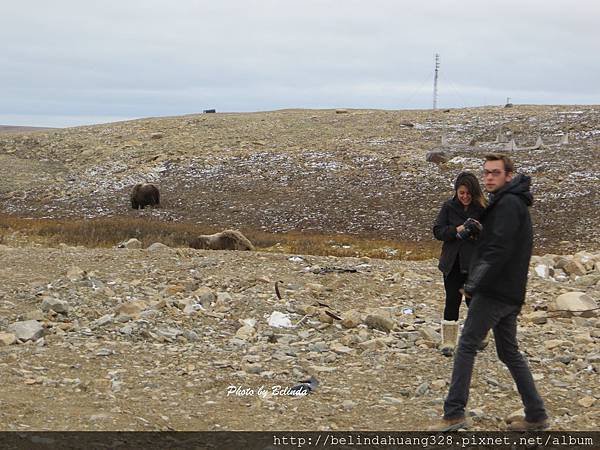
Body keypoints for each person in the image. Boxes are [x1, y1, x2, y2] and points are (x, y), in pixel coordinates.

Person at [429, 153, 549, 432]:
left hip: (495, 291)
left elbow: (498, 250)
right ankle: (536, 414)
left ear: (509, 175)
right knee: (509, 352)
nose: (489, 177)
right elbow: (496, 243)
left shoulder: (508, 204)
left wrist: (474, 284)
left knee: (467, 346)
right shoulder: (509, 203)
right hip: (510, 292)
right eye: (486, 173)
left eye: (495, 172)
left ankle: (454, 413)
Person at [433, 172, 486, 356]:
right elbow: (438, 231)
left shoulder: (482, 209)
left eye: (468, 193)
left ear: (474, 193)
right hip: (453, 263)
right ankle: (448, 342)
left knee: (475, 302)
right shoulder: (448, 207)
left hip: (475, 264)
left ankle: (479, 335)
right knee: (452, 301)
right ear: (456, 191)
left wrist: (479, 231)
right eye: (461, 193)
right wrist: (457, 230)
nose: (464, 197)